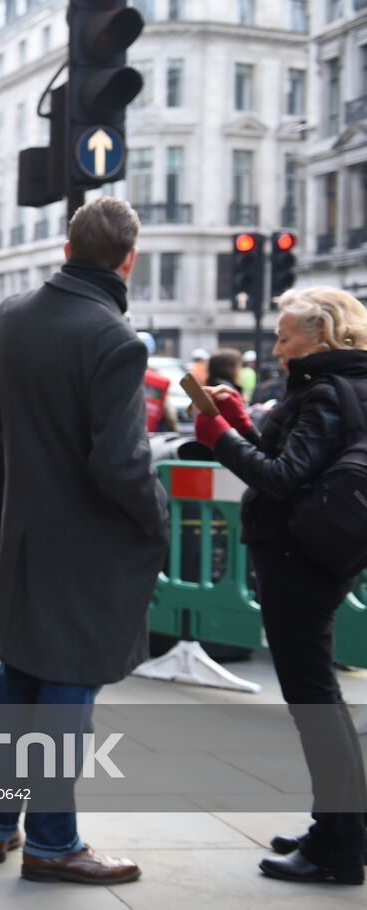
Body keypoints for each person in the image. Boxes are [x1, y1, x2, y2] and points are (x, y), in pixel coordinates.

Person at [0, 196, 168, 884]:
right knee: (66, 690)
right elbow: (121, 463)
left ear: (66, 249)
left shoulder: (13, 314)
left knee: (18, 676)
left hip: (26, 528)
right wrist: (157, 515)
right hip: (87, 545)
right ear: (128, 260)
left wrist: (36, 453)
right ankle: (53, 843)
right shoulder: (115, 339)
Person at [194, 287, 367, 885]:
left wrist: (218, 437)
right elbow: (299, 462)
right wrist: (243, 424)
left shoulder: (323, 390)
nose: (275, 348)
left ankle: (338, 847)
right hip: (322, 553)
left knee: (315, 701)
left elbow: (280, 477)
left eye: (284, 336)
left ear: (320, 338)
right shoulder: (345, 384)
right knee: (321, 699)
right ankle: (339, 828)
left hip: (298, 559)